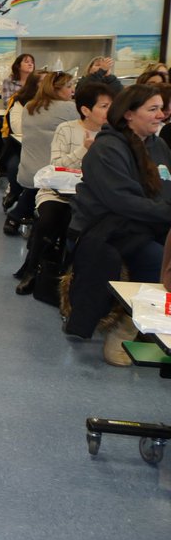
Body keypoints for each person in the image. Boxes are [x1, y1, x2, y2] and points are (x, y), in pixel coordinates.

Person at [65, 84, 171, 363]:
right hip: (108, 227)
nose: (161, 114)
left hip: (148, 222)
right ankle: (125, 326)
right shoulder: (107, 149)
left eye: (161, 108)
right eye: (153, 109)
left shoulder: (157, 146)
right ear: (128, 114)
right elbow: (122, 201)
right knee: (159, 261)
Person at [15, 82, 112, 295]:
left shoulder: (112, 135)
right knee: (49, 218)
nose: (110, 111)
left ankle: (68, 276)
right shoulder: (66, 129)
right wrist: (83, 150)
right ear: (86, 110)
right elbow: (57, 165)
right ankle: (32, 270)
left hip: (92, 196)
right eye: (104, 106)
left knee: (83, 225)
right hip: (58, 191)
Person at [6, 71, 79, 236]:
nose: (72, 90)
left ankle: (15, 215)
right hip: (50, 174)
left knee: (39, 181)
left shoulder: (29, 106)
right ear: (56, 89)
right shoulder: (69, 108)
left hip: (27, 170)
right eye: (69, 87)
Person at [0, 71, 42, 218]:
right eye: (42, 83)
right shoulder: (20, 101)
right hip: (20, 146)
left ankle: (27, 203)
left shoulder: (57, 104)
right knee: (15, 166)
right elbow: (18, 128)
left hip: (45, 148)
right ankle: (15, 192)